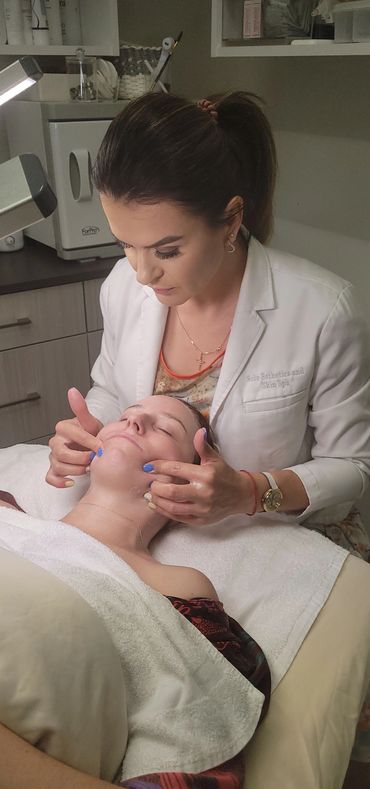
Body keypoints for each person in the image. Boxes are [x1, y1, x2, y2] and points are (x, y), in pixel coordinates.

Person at [44, 90, 370, 561]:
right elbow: (110, 392)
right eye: (125, 245)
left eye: (167, 251)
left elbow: (353, 467)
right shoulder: (123, 286)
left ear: (230, 220)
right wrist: (86, 435)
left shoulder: (323, 309)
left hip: (278, 537)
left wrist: (251, 492)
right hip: (165, 535)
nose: (142, 272)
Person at [0, 393, 271, 789]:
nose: (134, 424)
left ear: (189, 481)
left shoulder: (175, 594)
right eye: (125, 417)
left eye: (164, 428)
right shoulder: (8, 514)